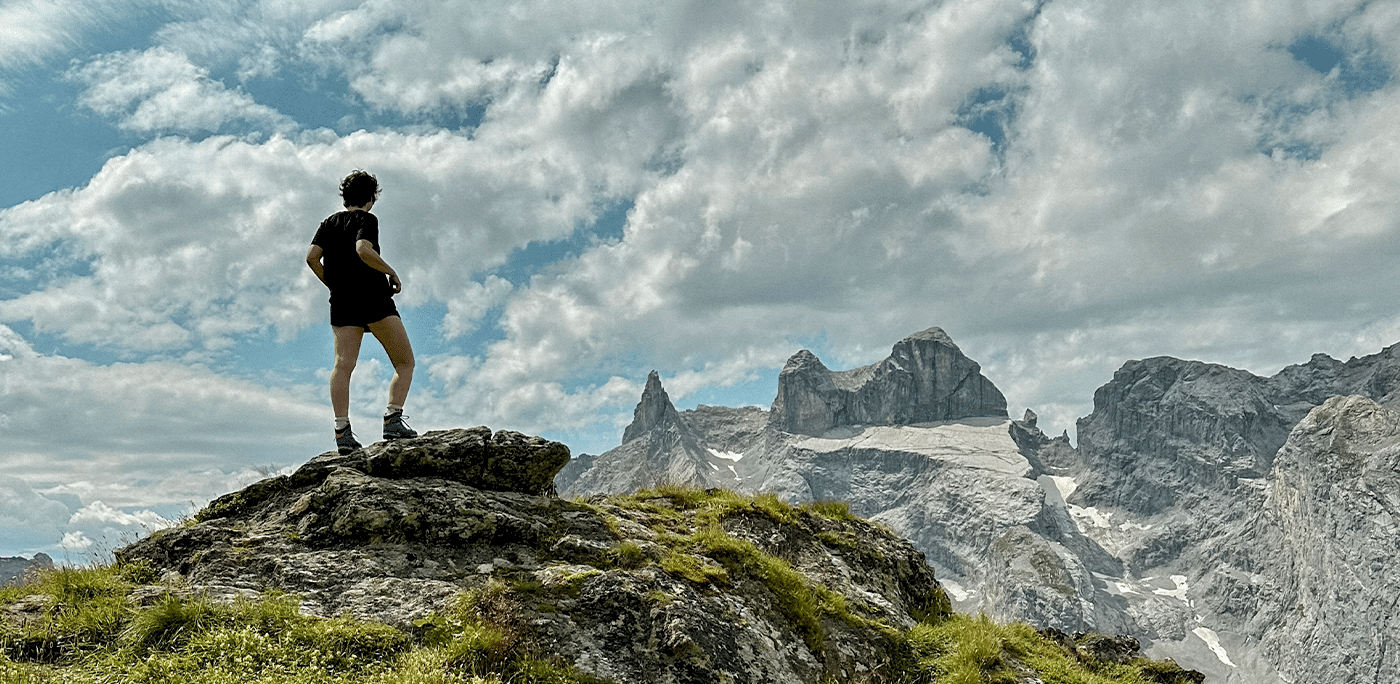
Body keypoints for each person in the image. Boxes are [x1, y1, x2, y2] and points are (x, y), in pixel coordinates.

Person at [306, 170, 417, 454]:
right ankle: (392, 419)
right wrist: (391, 271)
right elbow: (363, 249)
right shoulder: (366, 219)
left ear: (345, 197)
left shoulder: (328, 223)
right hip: (373, 298)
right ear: (370, 198)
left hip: (342, 302)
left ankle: (342, 432)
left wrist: (332, 283)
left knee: (342, 366)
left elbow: (311, 257)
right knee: (404, 362)